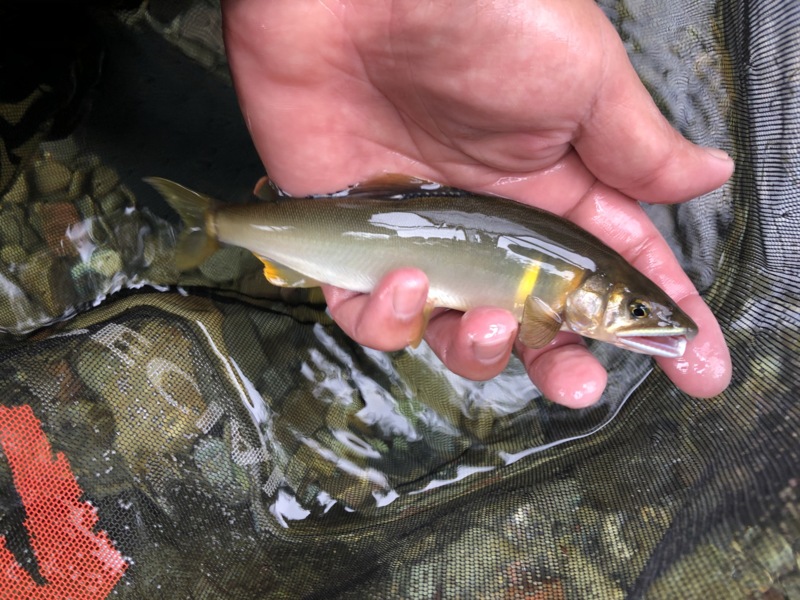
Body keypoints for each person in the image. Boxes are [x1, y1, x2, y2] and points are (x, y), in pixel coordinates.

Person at [220, 0, 734, 408]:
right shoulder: (558, 294)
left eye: (637, 309)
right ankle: (219, 220)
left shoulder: (570, 278)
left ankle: (218, 220)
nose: (641, 316)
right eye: (635, 310)